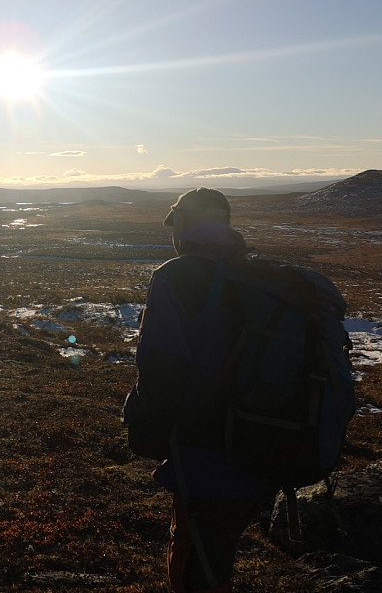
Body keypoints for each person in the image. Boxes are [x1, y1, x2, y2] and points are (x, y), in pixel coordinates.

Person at [123, 188, 277, 593]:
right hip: (267, 440)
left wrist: (144, 425)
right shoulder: (261, 276)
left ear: (186, 225)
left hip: (204, 448)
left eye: (176, 225)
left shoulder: (175, 277)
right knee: (220, 549)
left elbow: (161, 371)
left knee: (197, 554)